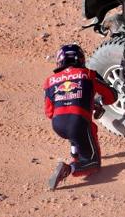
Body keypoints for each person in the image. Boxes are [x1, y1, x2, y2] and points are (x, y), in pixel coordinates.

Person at [43, 44, 117, 190]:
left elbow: (49, 112)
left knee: (79, 129)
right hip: (78, 122)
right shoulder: (88, 74)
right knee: (94, 163)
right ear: (81, 59)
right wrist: (97, 102)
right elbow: (111, 95)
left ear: (59, 61)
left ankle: (76, 153)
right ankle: (70, 168)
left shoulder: (49, 81)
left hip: (58, 124)